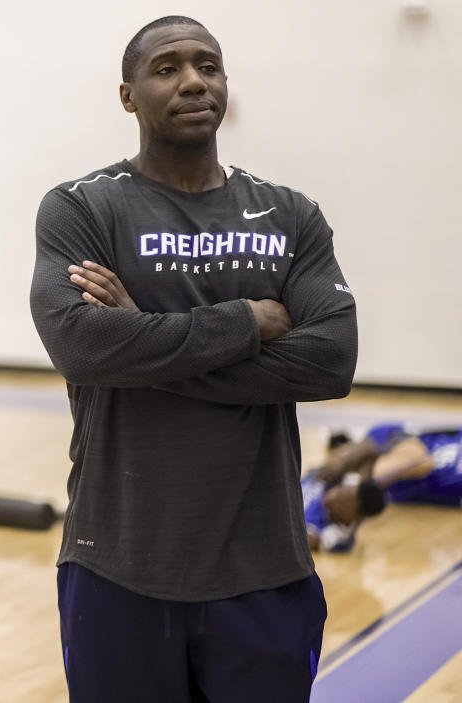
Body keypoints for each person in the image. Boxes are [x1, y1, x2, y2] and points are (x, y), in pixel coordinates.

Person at [29, 15, 358, 702]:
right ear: (128, 95)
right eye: (167, 67)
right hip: (118, 566)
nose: (192, 81)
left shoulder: (287, 214)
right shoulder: (83, 208)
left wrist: (141, 337)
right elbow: (81, 346)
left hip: (264, 568)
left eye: (207, 65)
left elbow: (330, 359)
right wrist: (248, 321)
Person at [318, 423, 462, 508]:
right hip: (416, 451)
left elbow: (422, 463)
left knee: (419, 463)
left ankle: (353, 480)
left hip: (416, 468)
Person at [301, 467, 386, 553]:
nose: (332, 497)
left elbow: (306, 540)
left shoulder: (332, 535)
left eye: (341, 503)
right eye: (339, 491)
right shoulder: (335, 478)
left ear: (355, 519)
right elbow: (368, 455)